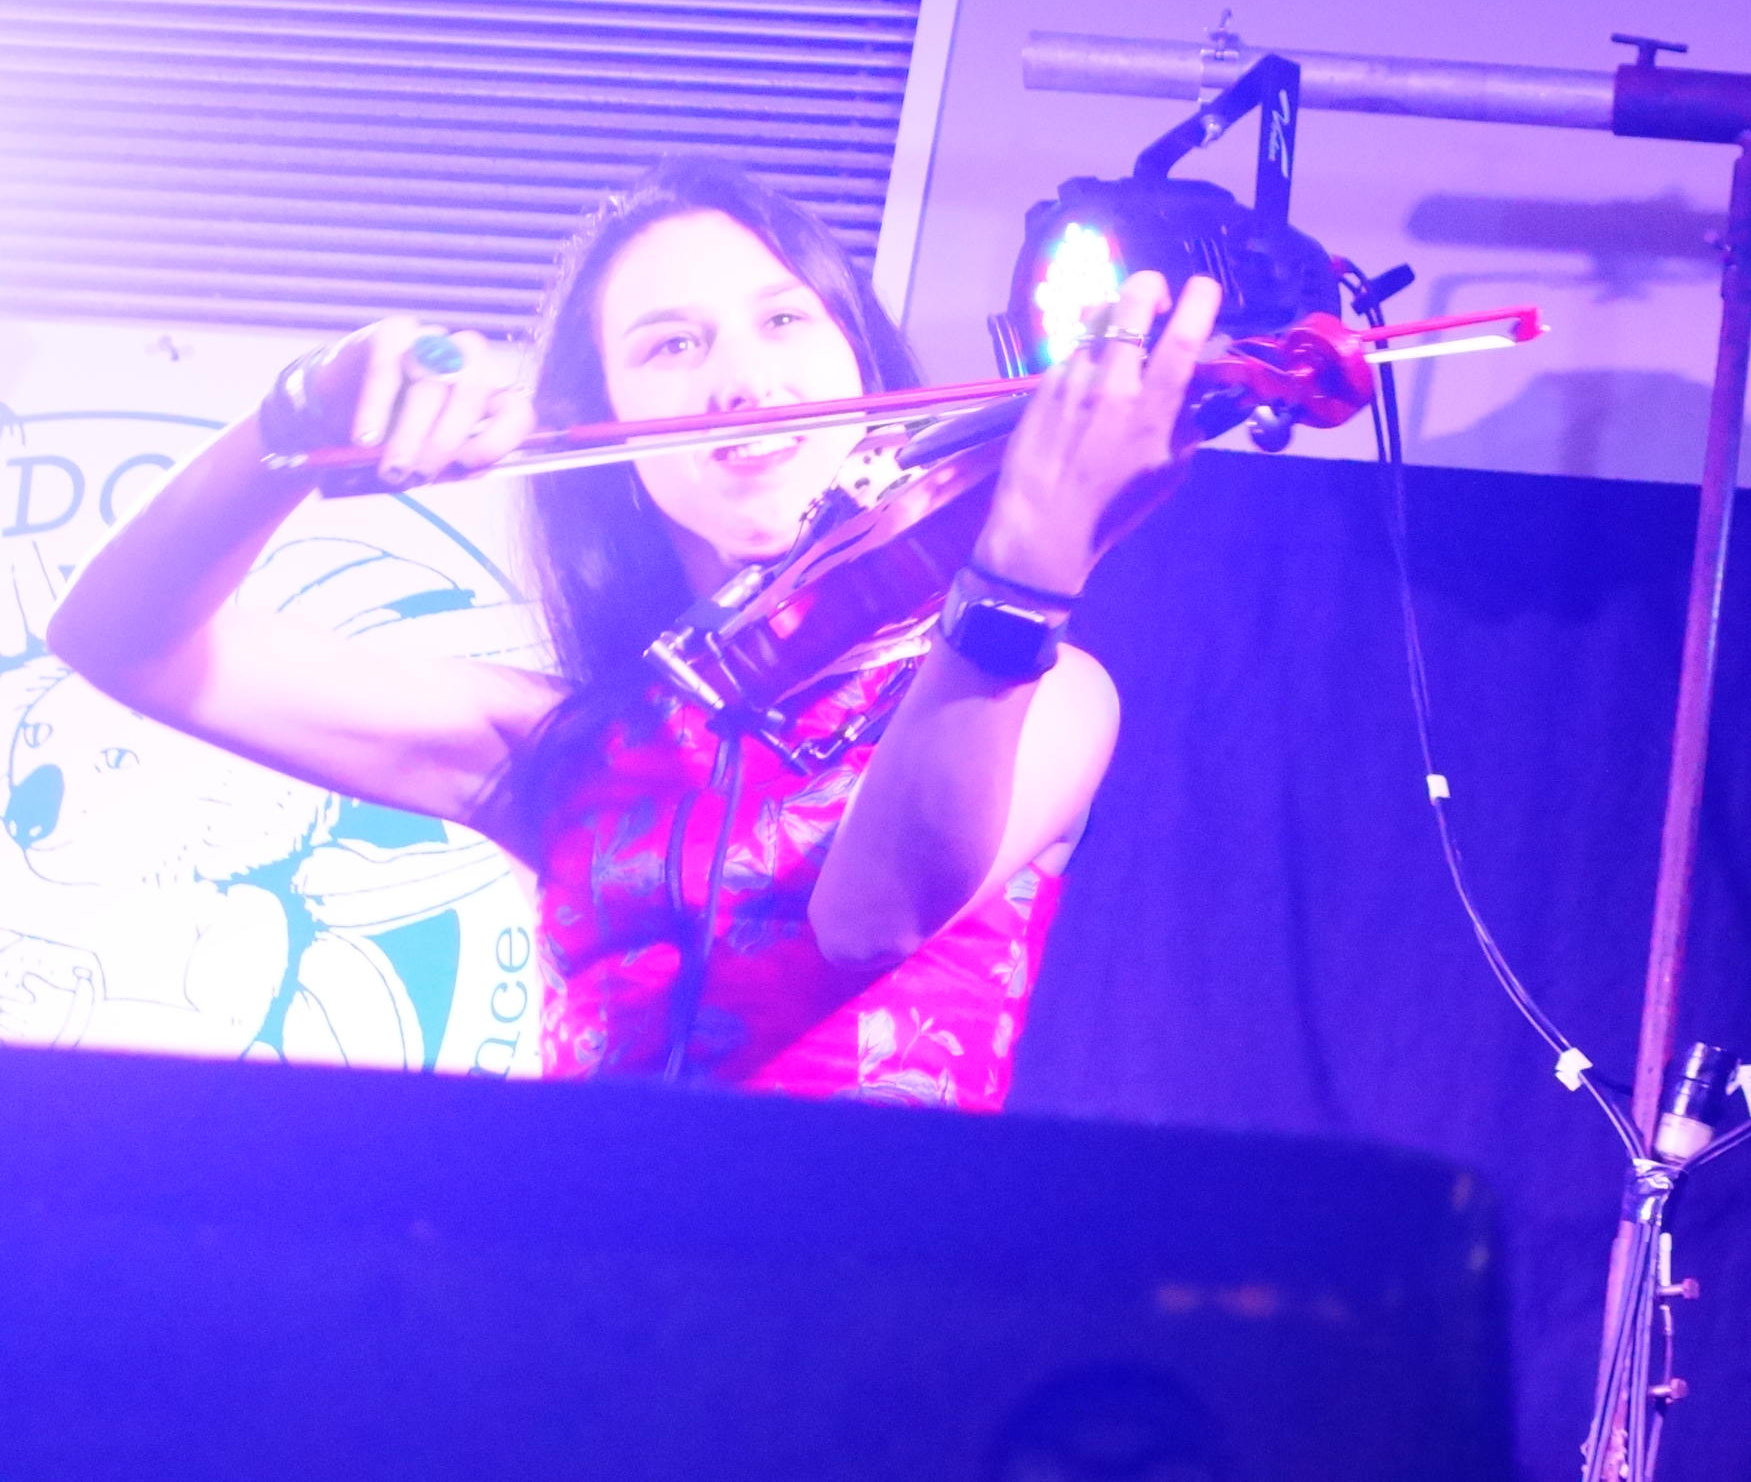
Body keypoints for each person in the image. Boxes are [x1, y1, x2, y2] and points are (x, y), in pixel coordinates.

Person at [49, 158, 1222, 1109]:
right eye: (672, 345)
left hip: (873, 1293)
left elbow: (871, 918)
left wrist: (1022, 571)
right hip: (559, 1278)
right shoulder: (564, 741)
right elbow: (124, 640)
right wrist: (300, 411)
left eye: (783, 319)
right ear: (605, 428)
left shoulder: (1043, 687)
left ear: (862, 371)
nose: (743, 384)